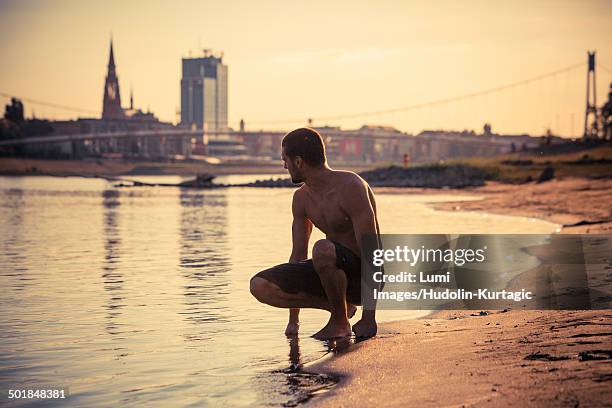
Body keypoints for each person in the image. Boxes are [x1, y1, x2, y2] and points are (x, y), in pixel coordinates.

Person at [250, 127, 380, 340]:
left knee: (322, 248)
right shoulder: (301, 199)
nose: (284, 165)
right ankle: (340, 310)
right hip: (330, 274)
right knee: (260, 285)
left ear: (298, 162)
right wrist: (293, 321)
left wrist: (369, 317)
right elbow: (298, 256)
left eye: (285, 159)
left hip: (360, 278)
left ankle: (339, 324)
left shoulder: (351, 186)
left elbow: (373, 253)